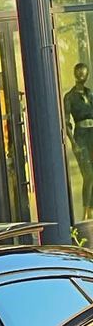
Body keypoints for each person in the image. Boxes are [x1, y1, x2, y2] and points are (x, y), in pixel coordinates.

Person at [64, 62, 93, 219]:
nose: (82, 75)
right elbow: (66, 122)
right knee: (88, 175)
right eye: (79, 72)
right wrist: (73, 143)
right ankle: (85, 213)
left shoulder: (90, 94)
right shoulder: (69, 97)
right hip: (81, 136)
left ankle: (91, 211)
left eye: (84, 73)